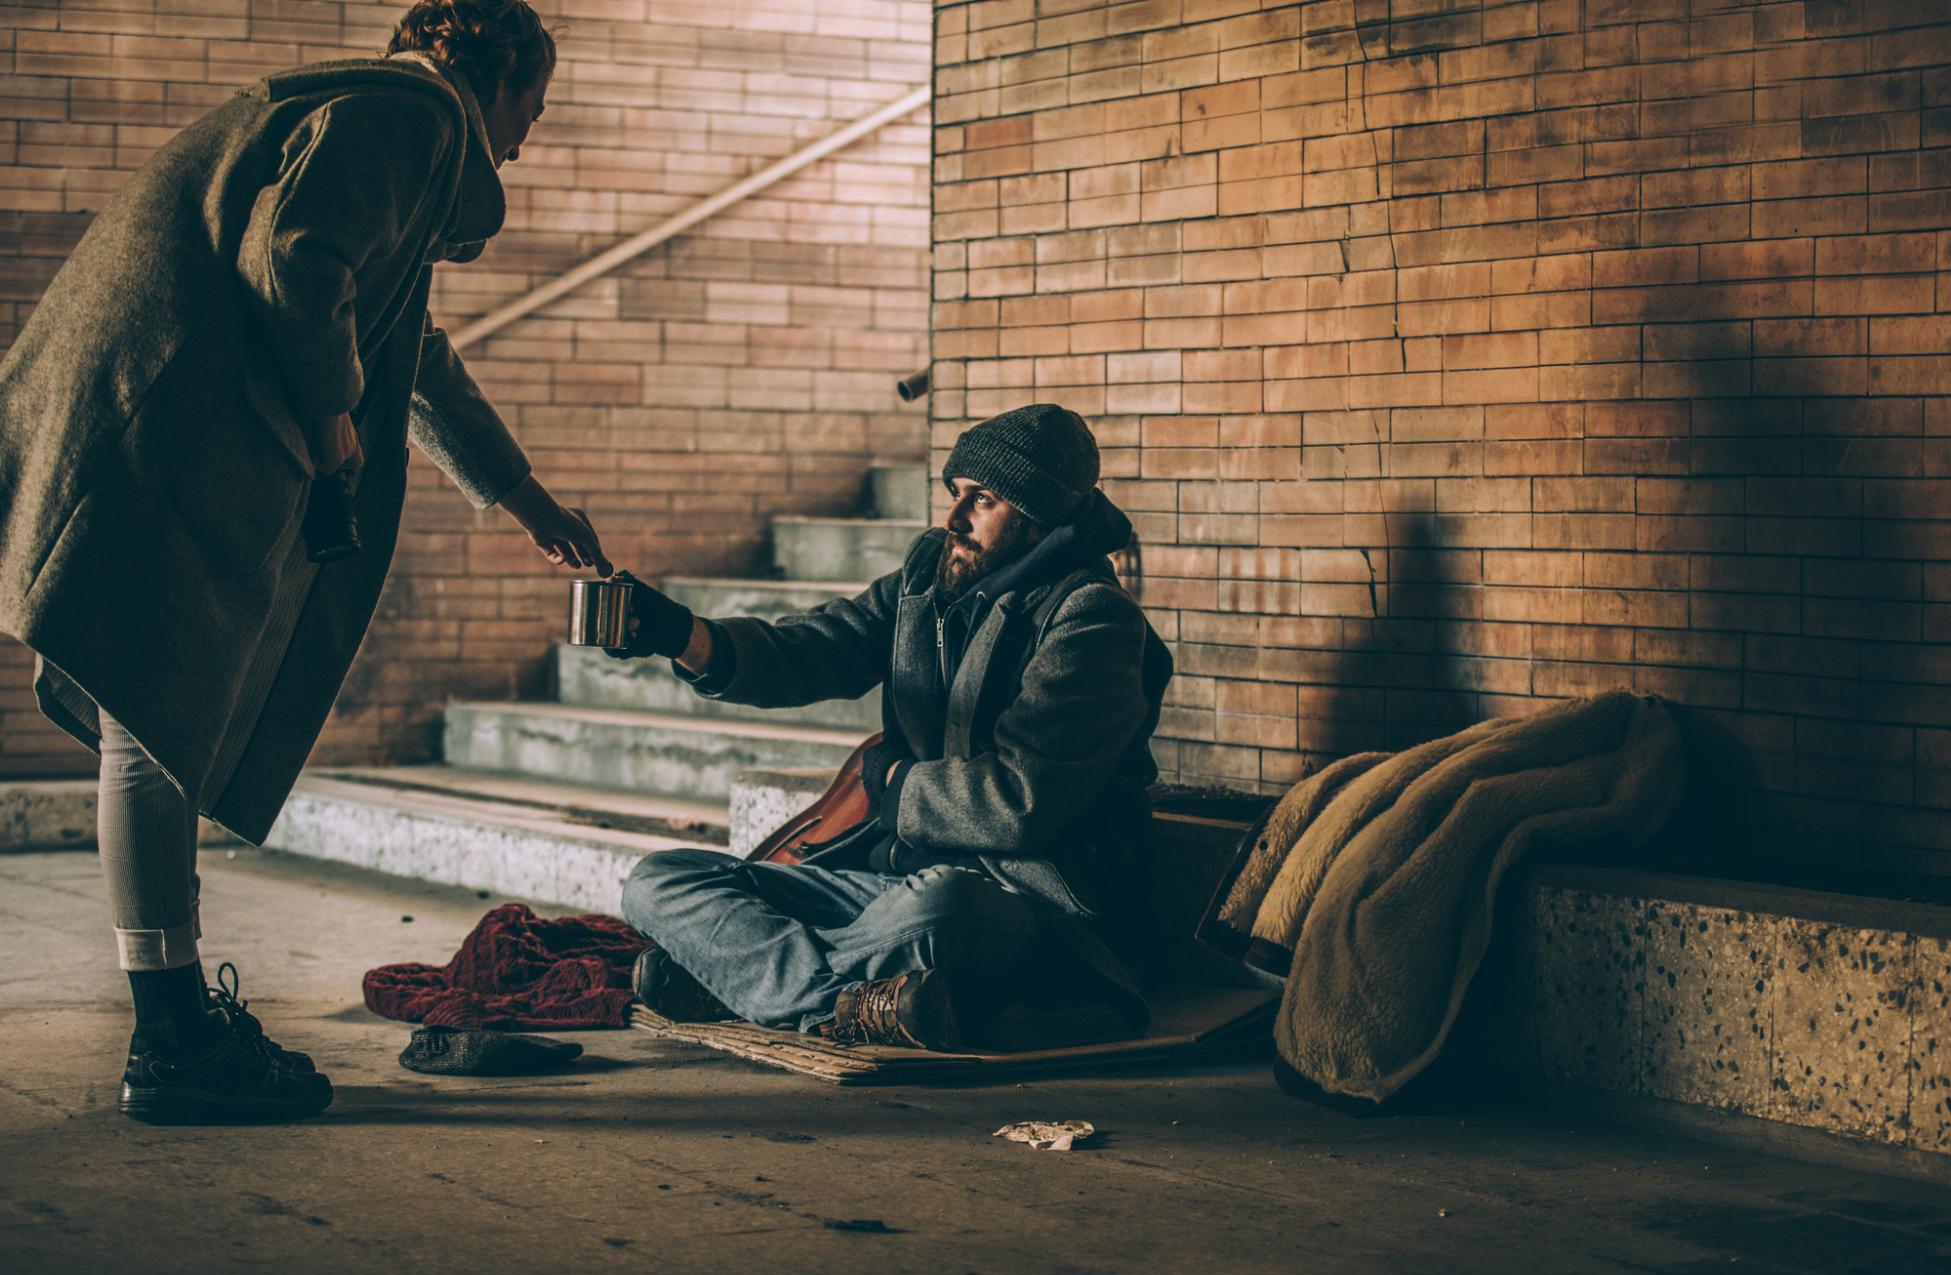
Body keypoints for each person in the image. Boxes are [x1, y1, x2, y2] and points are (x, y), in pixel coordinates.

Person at [0, 0, 610, 1122]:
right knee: (159, 723)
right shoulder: (410, 113)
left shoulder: (363, 114)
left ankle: (173, 1018)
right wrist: (332, 415)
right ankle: (173, 1040)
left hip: (142, 421)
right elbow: (301, 256)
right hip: (167, 432)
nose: (532, 130)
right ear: (498, 76)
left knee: (156, 724)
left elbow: (405, 344)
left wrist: (518, 493)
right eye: (537, 102)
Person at [617, 404, 1173, 1051]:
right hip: (883, 880)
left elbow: (1020, 803)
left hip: (1021, 897)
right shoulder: (926, 579)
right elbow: (813, 649)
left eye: (983, 500)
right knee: (659, 881)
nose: (954, 519)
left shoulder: (1092, 619)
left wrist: (890, 784)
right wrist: (680, 634)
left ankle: (744, 982)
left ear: (1036, 515)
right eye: (956, 494)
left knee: (939, 908)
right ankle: (845, 1002)